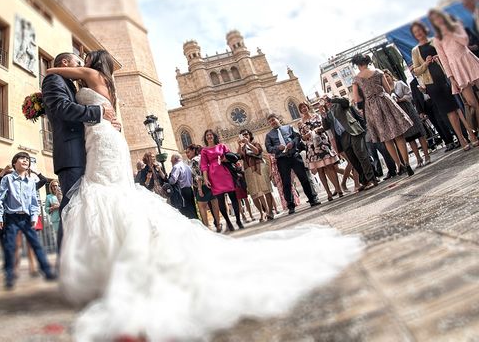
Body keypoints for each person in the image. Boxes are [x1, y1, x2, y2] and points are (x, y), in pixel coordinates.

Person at [44, 49, 362, 341]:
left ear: (90, 63)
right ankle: (110, 264)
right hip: (101, 142)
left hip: (102, 140)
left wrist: (50, 70)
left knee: (102, 199)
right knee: (109, 199)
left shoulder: (85, 76)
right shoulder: (103, 81)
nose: (78, 60)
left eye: (82, 57)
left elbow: (58, 78)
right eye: (74, 58)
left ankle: (106, 266)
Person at [41, 52, 119, 252]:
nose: (80, 65)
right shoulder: (54, 78)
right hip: (72, 154)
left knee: (85, 208)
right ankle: (66, 264)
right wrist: (100, 113)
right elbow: (61, 107)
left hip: (89, 151)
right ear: (65, 63)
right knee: (71, 209)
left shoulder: (76, 83)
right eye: (78, 62)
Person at [411, 20, 478, 150]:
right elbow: (416, 70)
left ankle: (472, 135)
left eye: (419, 30)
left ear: (424, 29)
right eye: (415, 32)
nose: (418, 33)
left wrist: (438, 57)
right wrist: (425, 63)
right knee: (450, 113)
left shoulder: (435, 40)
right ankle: (462, 140)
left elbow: (448, 56)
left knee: (460, 108)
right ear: (414, 35)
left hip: (446, 78)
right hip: (433, 85)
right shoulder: (415, 50)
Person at [0, 152, 56, 289]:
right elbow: (0, 199)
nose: (25, 160)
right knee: (10, 247)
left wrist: (34, 217)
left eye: (27, 159)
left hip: (27, 219)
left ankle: (47, 271)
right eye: (22, 158)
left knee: (36, 244)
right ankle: (9, 276)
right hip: (11, 218)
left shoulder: (31, 182)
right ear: (14, 163)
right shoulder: (8, 179)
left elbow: (34, 202)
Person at [351, 54, 414, 176]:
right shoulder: (378, 71)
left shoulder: (356, 79)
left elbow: (357, 98)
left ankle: (399, 165)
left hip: (372, 106)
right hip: (385, 101)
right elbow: (388, 89)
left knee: (386, 138)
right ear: (367, 62)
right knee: (398, 134)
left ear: (358, 64)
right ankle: (407, 163)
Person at [428, 9, 479, 145]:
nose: (438, 21)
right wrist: (451, 78)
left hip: (468, 60)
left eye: (438, 17)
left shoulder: (456, 27)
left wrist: (450, 32)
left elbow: (464, 41)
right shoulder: (436, 39)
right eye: (434, 20)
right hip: (456, 68)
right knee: (472, 103)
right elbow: (444, 60)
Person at [265, 114, 320, 214]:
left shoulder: (289, 127)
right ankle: (290, 206)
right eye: (270, 121)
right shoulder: (269, 135)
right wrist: (278, 148)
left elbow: (297, 137)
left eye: (273, 120)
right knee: (286, 183)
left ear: (278, 120)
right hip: (282, 160)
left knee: (304, 178)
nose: (272, 122)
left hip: (294, 156)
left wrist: (292, 143)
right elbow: (268, 148)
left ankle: (313, 199)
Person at [321, 96, 377, 191]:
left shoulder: (340, 105)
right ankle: (365, 182)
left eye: (328, 102)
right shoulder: (328, 114)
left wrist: (332, 99)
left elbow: (345, 101)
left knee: (362, 156)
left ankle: (371, 179)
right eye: (326, 103)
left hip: (353, 131)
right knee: (353, 160)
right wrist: (323, 116)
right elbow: (326, 127)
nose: (328, 103)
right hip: (342, 138)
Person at [383, 70, 431, 167]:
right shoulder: (385, 91)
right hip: (399, 114)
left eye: (387, 76)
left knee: (419, 133)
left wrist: (401, 99)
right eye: (384, 77)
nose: (386, 79)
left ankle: (426, 155)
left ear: (391, 76)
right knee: (409, 137)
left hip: (408, 109)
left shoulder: (399, 84)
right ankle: (418, 158)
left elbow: (409, 94)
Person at [200, 129, 244, 231]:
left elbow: (231, 157)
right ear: (206, 138)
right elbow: (203, 166)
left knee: (233, 198)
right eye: (207, 135)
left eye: (211, 135)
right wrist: (206, 179)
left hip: (226, 173)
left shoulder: (222, 146)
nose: (209, 136)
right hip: (214, 176)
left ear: (214, 136)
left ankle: (238, 220)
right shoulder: (204, 151)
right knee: (220, 200)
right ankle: (228, 222)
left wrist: (228, 160)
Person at [298, 102, 342, 200]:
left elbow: (324, 126)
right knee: (320, 170)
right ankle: (329, 193)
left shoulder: (316, 116)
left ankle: (338, 189)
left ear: (308, 107)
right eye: (302, 108)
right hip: (312, 148)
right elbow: (302, 137)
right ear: (300, 110)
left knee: (330, 167)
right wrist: (306, 136)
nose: (304, 108)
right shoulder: (300, 123)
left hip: (322, 144)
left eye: (305, 106)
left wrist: (317, 130)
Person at [236, 129, 276, 221]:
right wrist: (239, 145)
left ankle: (270, 211)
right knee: (254, 193)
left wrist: (248, 144)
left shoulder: (255, 143)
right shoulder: (242, 148)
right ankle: (262, 213)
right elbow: (239, 156)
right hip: (248, 171)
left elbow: (257, 151)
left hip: (260, 168)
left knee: (266, 190)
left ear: (250, 135)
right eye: (242, 135)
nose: (245, 136)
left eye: (246, 134)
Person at [184, 144, 220, 230]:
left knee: (202, 208)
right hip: (211, 184)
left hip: (201, 186)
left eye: (188, 152)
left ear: (193, 151)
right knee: (215, 204)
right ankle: (218, 225)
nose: (187, 154)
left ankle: (207, 227)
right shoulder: (202, 157)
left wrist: (199, 189)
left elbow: (198, 176)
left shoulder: (194, 161)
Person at [167, 153, 198, 219]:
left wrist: (167, 180)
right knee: (193, 208)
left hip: (181, 191)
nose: (170, 161)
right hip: (189, 189)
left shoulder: (176, 167)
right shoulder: (187, 166)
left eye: (171, 160)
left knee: (186, 211)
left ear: (175, 159)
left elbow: (173, 181)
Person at [45, 180, 62, 253]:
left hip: (65, 217)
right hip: (56, 220)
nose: (55, 187)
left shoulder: (63, 193)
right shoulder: (49, 197)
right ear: (51, 187)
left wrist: (59, 206)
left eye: (56, 185)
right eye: (53, 186)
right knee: (59, 237)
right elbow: (46, 209)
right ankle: (60, 253)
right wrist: (52, 208)